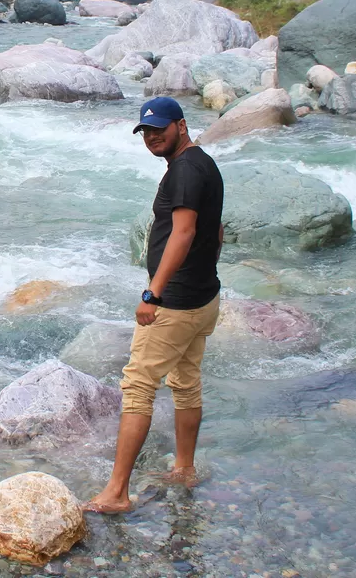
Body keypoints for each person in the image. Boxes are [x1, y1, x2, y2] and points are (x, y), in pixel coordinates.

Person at [85, 96, 224, 514]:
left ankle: (116, 493)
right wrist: (202, 273)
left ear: (181, 126)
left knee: (139, 387)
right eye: (145, 131)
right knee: (185, 381)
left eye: (159, 128)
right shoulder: (205, 163)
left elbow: (183, 233)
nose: (152, 137)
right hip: (204, 297)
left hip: (176, 303)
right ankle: (184, 467)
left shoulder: (182, 172)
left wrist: (153, 293)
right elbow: (214, 231)